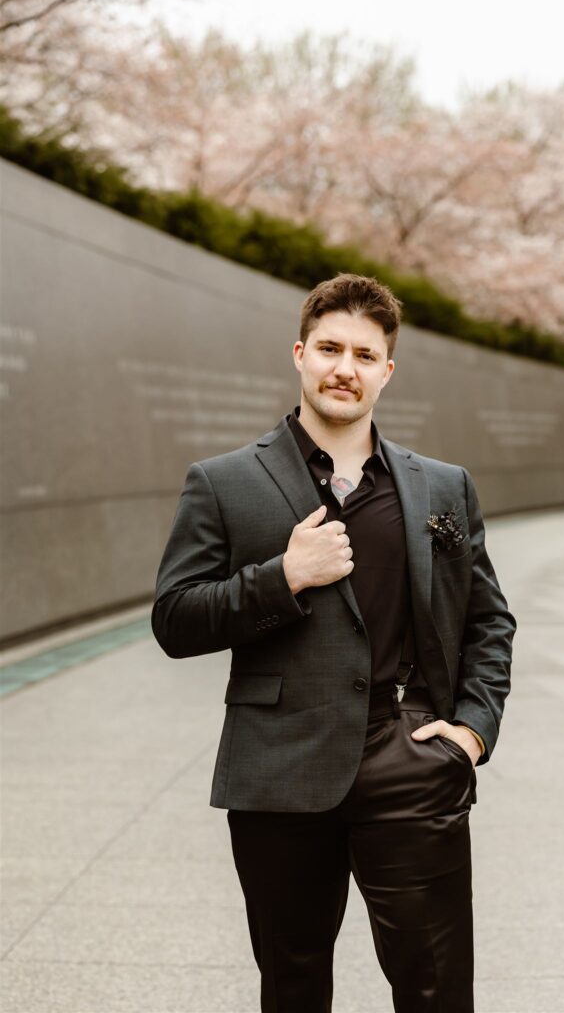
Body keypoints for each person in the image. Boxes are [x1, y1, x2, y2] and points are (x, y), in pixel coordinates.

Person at [151, 272, 517, 1013]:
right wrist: (280, 578)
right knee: (292, 986)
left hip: (411, 759)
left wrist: (471, 734)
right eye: (328, 348)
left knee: (438, 989)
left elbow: (488, 620)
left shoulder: (442, 487)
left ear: (387, 369)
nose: (342, 367)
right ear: (298, 354)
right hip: (278, 773)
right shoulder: (222, 483)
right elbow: (175, 619)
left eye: (362, 353)